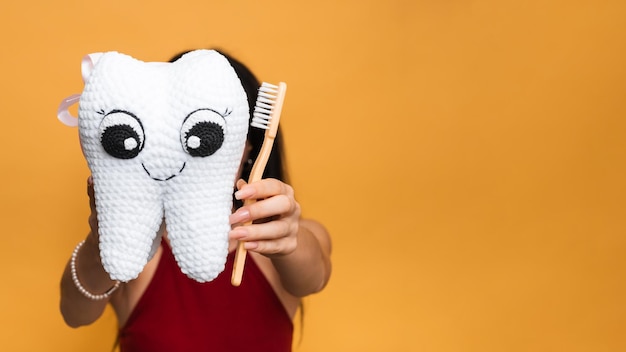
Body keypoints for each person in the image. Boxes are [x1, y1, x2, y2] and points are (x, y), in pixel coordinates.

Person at [59, 49, 332, 352]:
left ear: (249, 146)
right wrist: (102, 240)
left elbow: (313, 277)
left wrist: (289, 239)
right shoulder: (142, 253)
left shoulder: (276, 241)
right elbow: (75, 313)